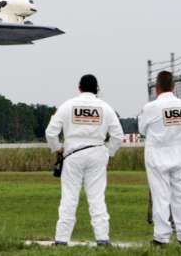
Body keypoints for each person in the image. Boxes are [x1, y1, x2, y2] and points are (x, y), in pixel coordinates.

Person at [45, 74, 124, 246]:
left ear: (79, 87)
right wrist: (108, 153)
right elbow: (118, 136)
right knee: (97, 198)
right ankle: (102, 239)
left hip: (72, 154)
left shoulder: (67, 105)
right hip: (97, 153)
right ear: (97, 89)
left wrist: (58, 148)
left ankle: (61, 239)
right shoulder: (105, 108)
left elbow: (50, 132)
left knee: (69, 197)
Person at [138, 71, 181, 245]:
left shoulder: (150, 107)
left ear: (157, 87)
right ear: (174, 86)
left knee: (161, 196)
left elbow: (142, 130)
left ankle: (161, 237)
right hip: (179, 153)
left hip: (158, 155)